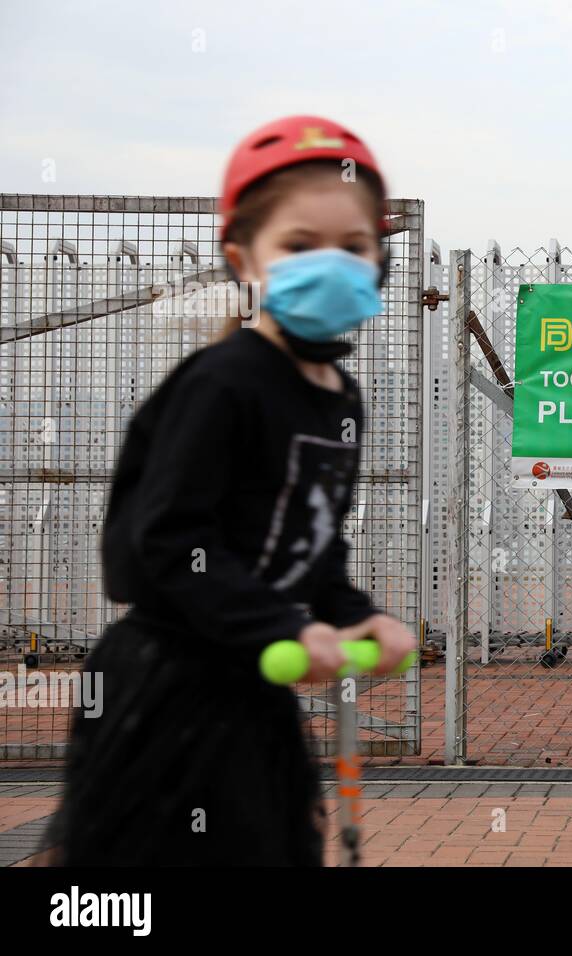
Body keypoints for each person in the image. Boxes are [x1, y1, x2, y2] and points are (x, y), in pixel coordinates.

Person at [39, 115, 418, 865]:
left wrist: (355, 615)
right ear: (245, 261)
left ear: (378, 262)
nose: (331, 264)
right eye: (300, 246)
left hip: (253, 687)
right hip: (166, 684)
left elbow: (313, 544)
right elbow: (172, 538)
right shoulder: (224, 383)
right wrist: (280, 624)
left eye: (354, 247)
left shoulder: (340, 396)